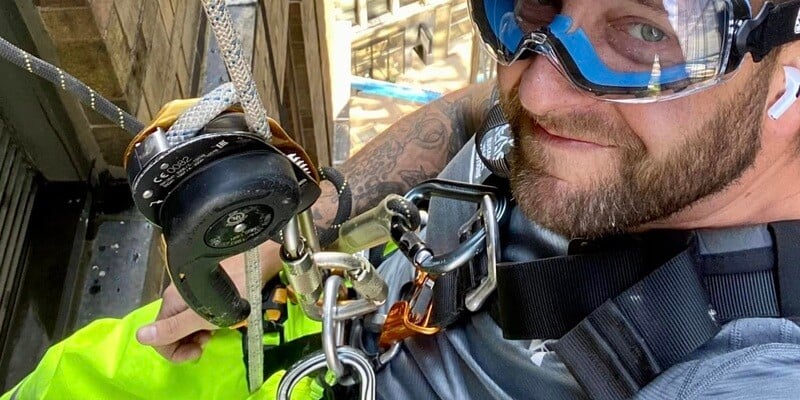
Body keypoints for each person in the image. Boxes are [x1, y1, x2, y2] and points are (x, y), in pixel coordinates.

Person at [7, 0, 800, 398]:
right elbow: (472, 107)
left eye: (648, 34)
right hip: (320, 328)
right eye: (530, 8)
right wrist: (316, 209)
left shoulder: (762, 360)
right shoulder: (594, 95)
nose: (540, 87)